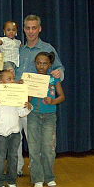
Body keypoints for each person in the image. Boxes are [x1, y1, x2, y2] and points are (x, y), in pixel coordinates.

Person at [15, 15, 65, 176]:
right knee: (16, 136)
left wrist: (59, 73)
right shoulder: (19, 49)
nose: (30, 31)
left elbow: (59, 68)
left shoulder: (47, 48)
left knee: (34, 139)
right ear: (24, 29)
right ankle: (17, 169)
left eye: (34, 28)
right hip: (17, 98)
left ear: (39, 29)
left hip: (37, 103)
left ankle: (40, 172)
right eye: (28, 28)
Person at [0, 69, 32, 187]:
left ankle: (12, 180)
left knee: (13, 157)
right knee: (1, 158)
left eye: (13, 78)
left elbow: (21, 113)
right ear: (1, 82)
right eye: (9, 79)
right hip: (1, 133)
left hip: (15, 132)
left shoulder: (17, 96)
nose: (13, 81)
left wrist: (28, 107)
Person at [27, 52, 65, 187]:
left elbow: (61, 97)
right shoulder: (31, 79)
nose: (41, 66)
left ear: (49, 65)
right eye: (38, 63)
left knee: (49, 148)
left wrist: (53, 100)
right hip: (33, 116)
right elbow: (28, 100)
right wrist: (25, 93)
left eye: (44, 63)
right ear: (35, 64)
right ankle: (37, 178)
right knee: (34, 148)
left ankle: (49, 177)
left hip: (49, 116)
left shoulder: (54, 80)